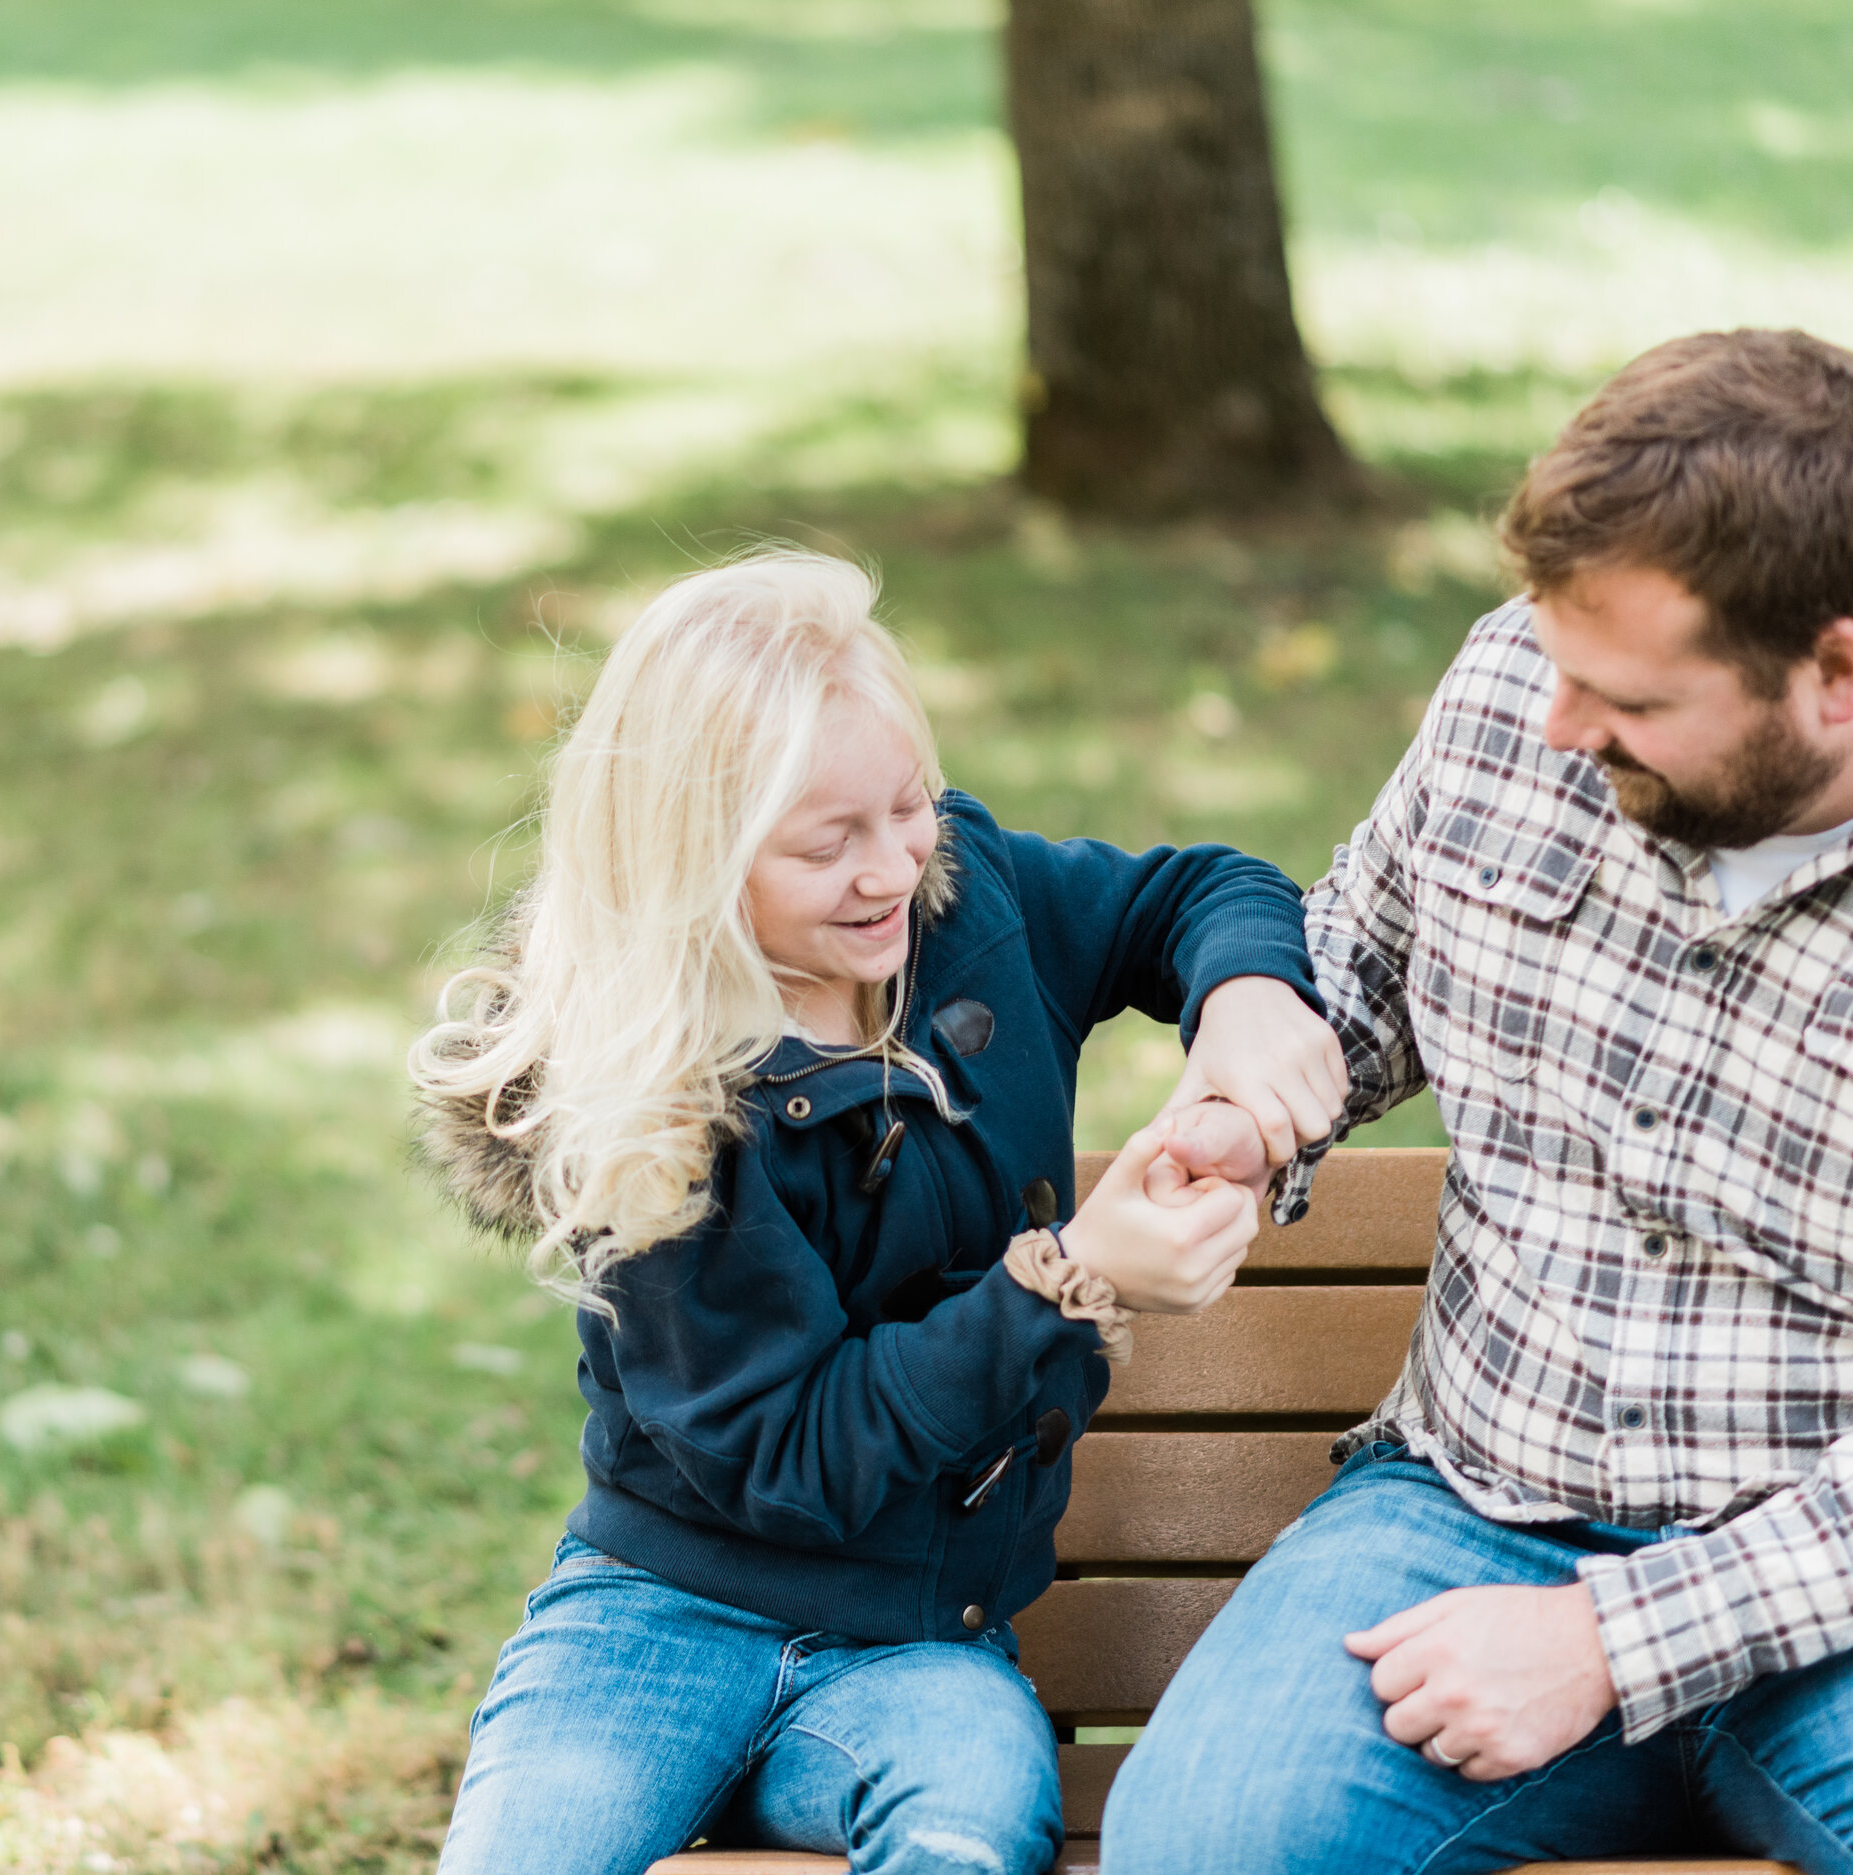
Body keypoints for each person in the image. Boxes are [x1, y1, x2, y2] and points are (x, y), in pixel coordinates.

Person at [411, 550, 1346, 1875]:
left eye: (907, 805)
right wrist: (1069, 1280)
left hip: (922, 1645)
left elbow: (1187, 891)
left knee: (967, 1837)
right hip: (655, 1627)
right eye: (824, 843)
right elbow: (795, 1457)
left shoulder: (970, 905)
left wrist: (1246, 990)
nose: (892, 867)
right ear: (693, 865)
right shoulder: (653, 1116)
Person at [1104, 327, 1853, 1873]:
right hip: (1471, 1507)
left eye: (1626, 697)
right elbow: (1360, 972)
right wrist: (1255, 1105)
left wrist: (1609, 1640)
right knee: (1202, 1851)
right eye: (1555, 658)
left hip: (1818, 1590)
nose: (1560, 724)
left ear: (1835, 675)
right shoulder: (1524, 683)